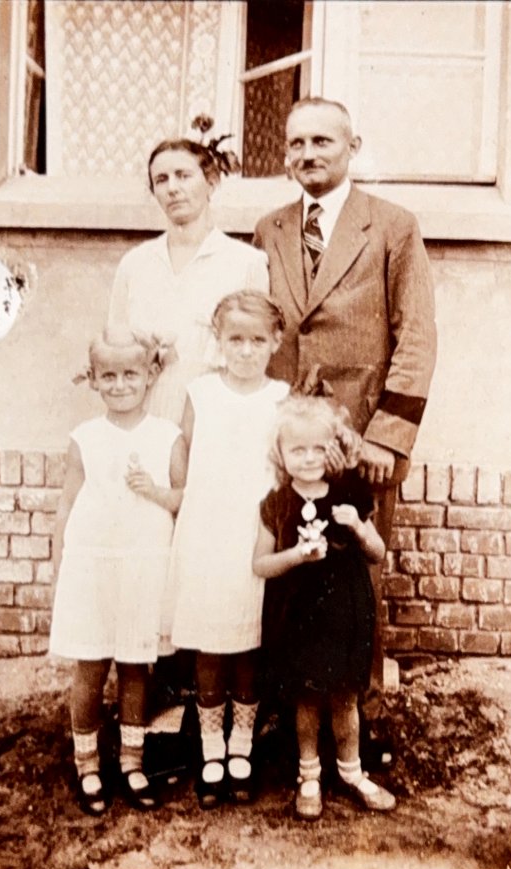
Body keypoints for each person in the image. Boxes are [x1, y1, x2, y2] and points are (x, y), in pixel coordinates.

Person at [253, 97, 437, 690]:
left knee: (357, 579)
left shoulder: (392, 226)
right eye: (297, 143)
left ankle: (361, 713)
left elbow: (417, 335)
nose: (308, 153)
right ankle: (289, 714)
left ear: (352, 148)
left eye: (322, 141)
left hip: (360, 435)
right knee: (290, 575)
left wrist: (386, 436)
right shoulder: (270, 229)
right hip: (289, 438)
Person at [49, 327, 187, 815]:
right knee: (90, 666)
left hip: (143, 565)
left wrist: (154, 490)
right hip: (94, 566)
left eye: (131, 373)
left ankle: (132, 760)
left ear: (151, 375)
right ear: (93, 379)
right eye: (108, 376)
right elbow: (67, 505)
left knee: (135, 665)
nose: (121, 384)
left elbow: (183, 499)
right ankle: (87, 763)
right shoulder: (85, 438)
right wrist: (60, 567)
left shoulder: (167, 436)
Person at [167, 290, 289, 809]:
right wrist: (181, 505)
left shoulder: (281, 396)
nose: (245, 350)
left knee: (248, 642)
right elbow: (184, 449)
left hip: (254, 531)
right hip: (208, 530)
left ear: (275, 342)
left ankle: (242, 745)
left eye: (257, 340)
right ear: (218, 340)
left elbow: (284, 464)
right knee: (211, 643)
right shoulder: (201, 392)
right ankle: (210, 747)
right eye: (235, 339)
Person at [253, 395, 396, 821]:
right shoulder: (276, 502)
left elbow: (377, 553)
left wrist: (357, 527)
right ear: (279, 452)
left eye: (319, 448)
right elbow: (260, 565)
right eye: (298, 449)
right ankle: (309, 776)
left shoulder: (349, 494)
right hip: (299, 618)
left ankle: (353, 773)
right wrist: (297, 555)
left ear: (335, 447)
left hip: (345, 614)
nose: (310, 458)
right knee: (307, 701)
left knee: (346, 699)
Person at [108, 137, 269, 426]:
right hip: (145, 420)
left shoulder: (246, 263)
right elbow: (114, 350)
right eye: (161, 180)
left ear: (211, 183)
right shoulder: (135, 264)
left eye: (183, 176)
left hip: (217, 421)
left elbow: (256, 355)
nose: (172, 188)